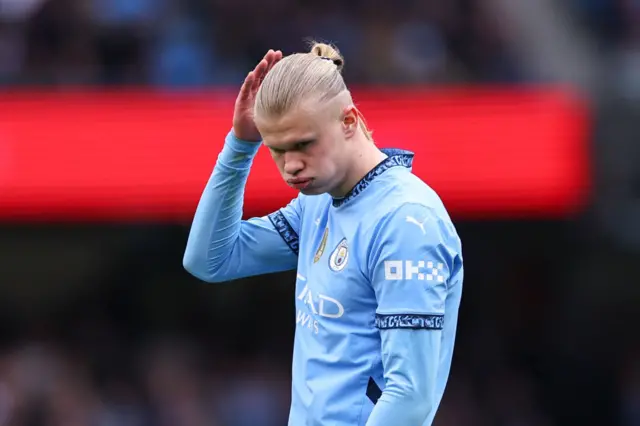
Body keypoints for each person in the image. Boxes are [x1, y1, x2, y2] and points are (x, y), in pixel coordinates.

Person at [183, 42, 464, 426]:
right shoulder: (318, 202)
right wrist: (240, 146)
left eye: (304, 144)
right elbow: (210, 259)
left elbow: (410, 397)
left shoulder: (406, 222)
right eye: (277, 150)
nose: (291, 166)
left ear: (349, 121)